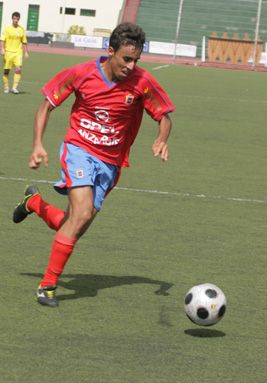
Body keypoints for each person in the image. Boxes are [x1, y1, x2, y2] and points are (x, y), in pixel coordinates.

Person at [12, 22, 174, 307]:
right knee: (83, 213)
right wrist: (38, 144)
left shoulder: (142, 82)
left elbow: (164, 116)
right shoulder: (82, 73)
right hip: (79, 149)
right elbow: (45, 105)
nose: (131, 66)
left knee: (74, 222)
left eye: (136, 60)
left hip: (111, 163)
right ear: (110, 51)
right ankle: (47, 286)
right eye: (126, 59)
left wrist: (162, 139)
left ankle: (34, 203)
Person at [0, 11, 29, 94]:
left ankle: (14, 88)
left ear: (19, 19)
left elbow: (24, 41)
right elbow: (2, 40)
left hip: (18, 52)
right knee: (6, 71)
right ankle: (6, 87)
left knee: (18, 69)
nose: (16, 20)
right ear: (12, 19)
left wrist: (26, 52)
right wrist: (2, 49)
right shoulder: (7, 29)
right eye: (14, 19)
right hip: (8, 52)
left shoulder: (21, 29)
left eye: (17, 19)